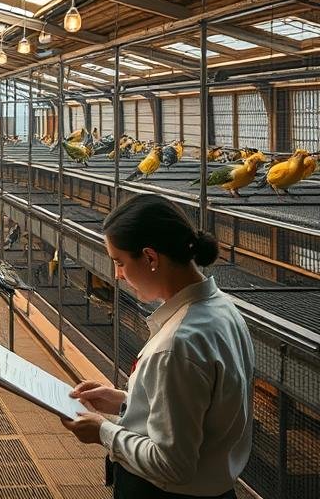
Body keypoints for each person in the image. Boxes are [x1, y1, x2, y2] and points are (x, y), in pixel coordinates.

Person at [62, 193, 254, 498]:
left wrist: (103, 432)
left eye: (120, 262)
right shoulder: (223, 310)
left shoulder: (178, 346)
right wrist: (126, 402)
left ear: (151, 258)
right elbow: (198, 410)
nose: (117, 275)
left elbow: (172, 464)